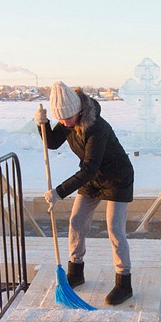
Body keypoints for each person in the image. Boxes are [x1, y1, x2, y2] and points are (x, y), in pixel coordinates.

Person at [35, 82, 135, 306]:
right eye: (60, 119)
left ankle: (123, 282)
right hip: (93, 178)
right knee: (77, 221)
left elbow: (89, 168)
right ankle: (76, 271)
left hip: (116, 178)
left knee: (115, 229)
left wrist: (60, 192)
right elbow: (51, 143)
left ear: (79, 111)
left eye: (67, 119)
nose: (64, 124)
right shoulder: (67, 119)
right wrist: (42, 124)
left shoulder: (96, 127)